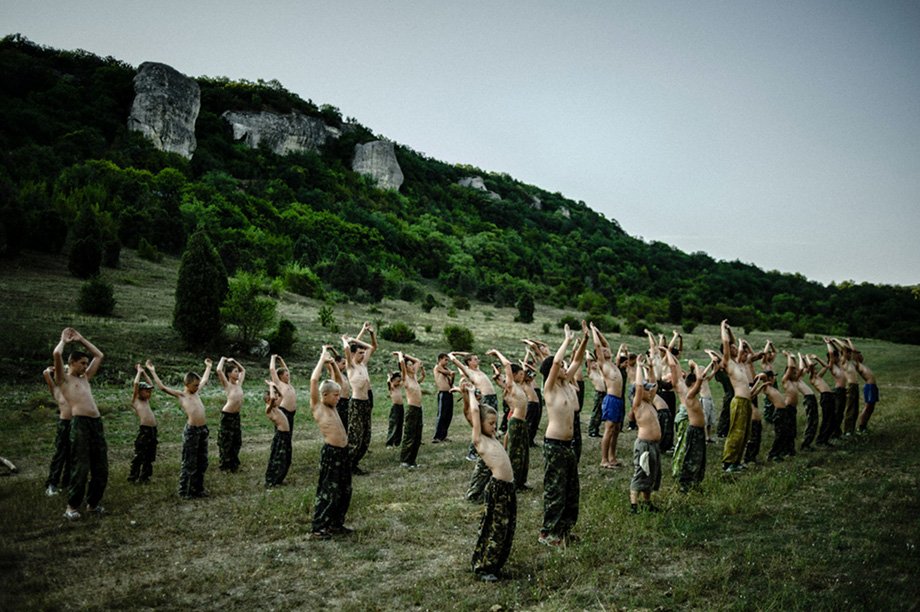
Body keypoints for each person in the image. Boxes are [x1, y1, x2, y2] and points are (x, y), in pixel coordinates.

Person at [539, 323, 588, 548]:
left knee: (571, 489)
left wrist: (585, 339)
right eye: (561, 367)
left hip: (569, 444)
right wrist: (567, 340)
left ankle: (564, 530)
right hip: (555, 444)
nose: (565, 367)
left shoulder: (567, 383)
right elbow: (557, 361)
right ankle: (548, 532)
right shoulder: (549, 388)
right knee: (555, 489)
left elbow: (577, 361)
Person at [463, 381, 516, 582]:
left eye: (495, 423)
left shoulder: (492, 437)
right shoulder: (479, 439)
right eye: (490, 423)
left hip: (508, 487)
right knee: (495, 528)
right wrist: (469, 394)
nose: (494, 427)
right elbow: (474, 413)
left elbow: (476, 412)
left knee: (506, 527)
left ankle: (496, 563)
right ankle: (484, 566)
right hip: (498, 488)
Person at [54, 328, 106, 520]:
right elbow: (57, 353)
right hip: (80, 424)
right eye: (82, 363)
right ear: (72, 363)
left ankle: (93, 504)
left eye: (86, 363)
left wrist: (81, 339)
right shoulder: (63, 380)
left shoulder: (85, 379)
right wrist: (64, 341)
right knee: (81, 467)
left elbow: (99, 355)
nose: (86, 366)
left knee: (101, 467)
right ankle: (72, 507)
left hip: (96, 423)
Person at [147, 358, 212, 499]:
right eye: (195, 385)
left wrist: (208, 366)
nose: (197, 387)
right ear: (187, 384)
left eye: (197, 385)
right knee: (189, 462)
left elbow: (205, 380)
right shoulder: (182, 395)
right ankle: (185, 491)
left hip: (203, 431)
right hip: (192, 431)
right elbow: (162, 387)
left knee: (202, 462)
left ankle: (198, 489)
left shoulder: (196, 392)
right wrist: (152, 371)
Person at [309, 346, 352, 539]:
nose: (338, 397)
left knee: (344, 490)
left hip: (343, 453)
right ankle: (319, 527)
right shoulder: (319, 406)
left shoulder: (333, 406)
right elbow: (314, 380)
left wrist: (333, 363)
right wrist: (322, 358)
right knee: (329, 490)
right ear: (325, 395)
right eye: (335, 395)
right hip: (332, 453)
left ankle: (336, 524)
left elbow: (340, 381)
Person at [449, 351, 498, 502]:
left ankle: (487, 445)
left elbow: (468, 357)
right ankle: (472, 451)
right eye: (475, 359)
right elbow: (455, 360)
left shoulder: (479, 370)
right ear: (469, 362)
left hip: (493, 397)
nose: (478, 359)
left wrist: (468, 354)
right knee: (480, 426)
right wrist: (456, 354)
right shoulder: (467, 371)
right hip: (485, 398)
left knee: (491, 427)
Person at [667, 353, 714, 492]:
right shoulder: (689, 395)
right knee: (691, 456)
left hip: (698, 430)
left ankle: (695, 482)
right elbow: (700, 378)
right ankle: (685, 484)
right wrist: (694, 366)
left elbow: (697, 377)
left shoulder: (691, 393)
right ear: (693, 385)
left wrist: (675, 358)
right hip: (694, 430)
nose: (700, 387)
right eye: (697, 385)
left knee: (699, 457)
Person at [487, 349, 530, 491]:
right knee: (515, 454)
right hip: (516, 422)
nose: (522, 376)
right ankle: (514, 483)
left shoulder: (518, 386)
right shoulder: (511, 385)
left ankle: (521, 482)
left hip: (522, 422)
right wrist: (497, 352)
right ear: (514, 374)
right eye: (520, 374)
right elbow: (507, 365)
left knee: (524, 454)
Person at [718, 321, 754, 473]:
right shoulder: (727, 362)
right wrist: (722, 328)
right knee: (736, 432)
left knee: (745, 434)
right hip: (738, 401)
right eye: (732, 348)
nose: (734, 348)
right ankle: (728, 463)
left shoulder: (738, 362)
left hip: (746, 402)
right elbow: (726, 342)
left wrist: (730, 329)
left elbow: (731, 340)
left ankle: (737, 461)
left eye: (735, 347)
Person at [343, 323, 377, 475]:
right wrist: (346, 341)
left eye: (363, 354)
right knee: (355, 437)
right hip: (356, 402)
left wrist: (368, 332)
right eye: (359, 353)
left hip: (366, 402)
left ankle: (354, 464)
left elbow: (371, 347)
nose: (363, 355)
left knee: (365, 438)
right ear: (353, 354)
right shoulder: (351, 366)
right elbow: (347, 349)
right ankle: (346, 465)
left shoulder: (363, 365)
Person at [629, 356, 663, 513]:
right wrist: (638, 366)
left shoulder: (649, 402)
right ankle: (634, 505)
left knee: (652, 473)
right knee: (641, 472)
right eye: (645, 389)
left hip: (654, 445)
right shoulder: (637, 405)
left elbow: (655, 385)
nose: (649, 391)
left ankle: (647, 503)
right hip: (644, 445)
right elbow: (639, 387)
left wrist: (649, 368)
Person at [591, 325, 626, 468]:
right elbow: (598, 345)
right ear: (599, 354)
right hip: (611, 399)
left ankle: (612, 457)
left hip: (619, 400)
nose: (606, 349)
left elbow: (605, 344)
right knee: (609, 428)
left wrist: (599, 331)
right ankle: (604, 459)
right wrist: (593, 330)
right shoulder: (603, 364)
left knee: (616, 429)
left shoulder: (612, 363)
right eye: (603, 350)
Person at [42, 364, 72, 496]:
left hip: (77, 424)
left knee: (72, 455)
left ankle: (67, 482)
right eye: (64, 371)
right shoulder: (56, 389)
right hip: (64, 424)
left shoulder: (74, 387)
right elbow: (45, 374)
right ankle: (52, 484)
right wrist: (51, 370)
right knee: (60, 455)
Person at [394, 352, 425, 468]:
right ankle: (404, 460)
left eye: (412, 365)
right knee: (409, 436)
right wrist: (400, 355)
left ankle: (412, 460)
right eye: (410, 365)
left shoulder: (415, 377)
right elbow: (401, 363)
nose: (413, 366)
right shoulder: (405, 378)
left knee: (417, 436)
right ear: (406, 368)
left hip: (419, 409)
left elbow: (418, 361)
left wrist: (406, 355)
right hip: (411, 409)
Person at [128, 364, 158, 483]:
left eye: (150, 392)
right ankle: (133, 476)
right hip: (144, 430)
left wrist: (145, 372)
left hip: (152, 430)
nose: (149, 394)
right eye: (146, 391)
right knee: (140, 454)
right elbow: (135, 385)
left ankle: (145, 477)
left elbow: (150, 383)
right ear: (140, 392)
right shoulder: (136, 400)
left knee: (150, 455)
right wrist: (139, 372)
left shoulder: (147, 401)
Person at [216, 357, 246, 473]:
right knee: (225, 442)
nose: (238, 373)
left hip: (236, 416)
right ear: (229, 374)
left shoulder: (239, 384)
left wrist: (234, 361)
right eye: (235, 371)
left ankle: (234, 464)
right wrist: (223, 360)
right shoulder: (227, 385)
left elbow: (243, 370)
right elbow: (219, 370)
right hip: (227, 416)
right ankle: (225, 466)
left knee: (236, 441)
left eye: (237, 371)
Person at [264, 381, 292, 488]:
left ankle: (279, 479)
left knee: (286, 459)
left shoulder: (276, 407)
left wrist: (275, 386)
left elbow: (282, 395)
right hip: (281, 436)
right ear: (267, 400)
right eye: (273, 396)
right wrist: (271, 386)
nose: (276, 397)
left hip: (286, 436)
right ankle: (271, 481)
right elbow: (273, 399)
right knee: (278, 458)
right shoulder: (269, 410)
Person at [807, 354, 836, 448]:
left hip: (830, 396)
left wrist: (816, 357)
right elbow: (810, 366)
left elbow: (826, 366)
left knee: (831, 419)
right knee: (827, 419)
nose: (815, 369)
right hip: (825, 397)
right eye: (814, 369)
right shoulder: (812, 378)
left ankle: (826, 439)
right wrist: (807, 358)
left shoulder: (819, 376)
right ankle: (821, 440)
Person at [853, 344, 879, 433]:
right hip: (869, 387)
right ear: (856, 357)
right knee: (868, 406)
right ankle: (860, 426)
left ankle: (864, 425)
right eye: (860, 355)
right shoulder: (857, 365)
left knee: (871, 407)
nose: (861, 356)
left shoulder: (862, 365)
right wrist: (848, 341)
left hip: (873, 387)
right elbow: (854, 352)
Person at [796, 353, 819, 451]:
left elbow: (805, 368)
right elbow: (802, 369)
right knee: (811, 422)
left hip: (811, 399)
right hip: (809, 400)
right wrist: (800, 357)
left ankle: (808, 443)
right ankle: (805, 444)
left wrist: (804, 359)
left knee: (814, 422)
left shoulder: (799, 379)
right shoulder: (795, 379)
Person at [269, 354, 297, 434]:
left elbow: (286, 369)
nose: (288, 376)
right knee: (282, 432)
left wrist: (281, 360)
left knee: (289, 433)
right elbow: (272, 370)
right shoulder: (279, 384)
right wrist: (273, 358)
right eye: (286, 375)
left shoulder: (288, 383)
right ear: (281, 376)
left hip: (291, 413)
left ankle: (287, 447)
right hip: (283, 411)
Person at [432, 353, 456, 443]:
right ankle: (437, 436)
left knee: (448, 415)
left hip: (449, 393)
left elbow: (451, 381)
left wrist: (452, 377)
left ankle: (443, 435)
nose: (447, 362)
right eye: (445, 360)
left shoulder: (447, 369)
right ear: (440, 359)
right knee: (442, 415)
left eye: (448, 360)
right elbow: (448, 373)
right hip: (442, 393)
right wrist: (451, 373)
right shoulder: (437, 367)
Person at [585, 353, 606, 438]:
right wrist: (587, 353)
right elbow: (588, 360)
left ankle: (596, 429)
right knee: (596, 412)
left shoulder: (598, 372)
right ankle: (591, 430)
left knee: (600, 413)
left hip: (604, 393)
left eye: (595, 362)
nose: (595, 364)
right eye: (593, 363)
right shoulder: (590, 372)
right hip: (599, 393)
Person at [385, 371, 404, 448]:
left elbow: (404, 379)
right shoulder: (391, 387)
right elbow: (388, 382)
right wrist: (390, 376)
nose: (398, 382)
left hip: (401, 407)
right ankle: (389, 442)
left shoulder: (399, 386)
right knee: (393, 424)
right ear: (393, 381)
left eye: (399, 381)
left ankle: (397, 442)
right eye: (397, 380)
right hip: (395, 407)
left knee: (400, 424)